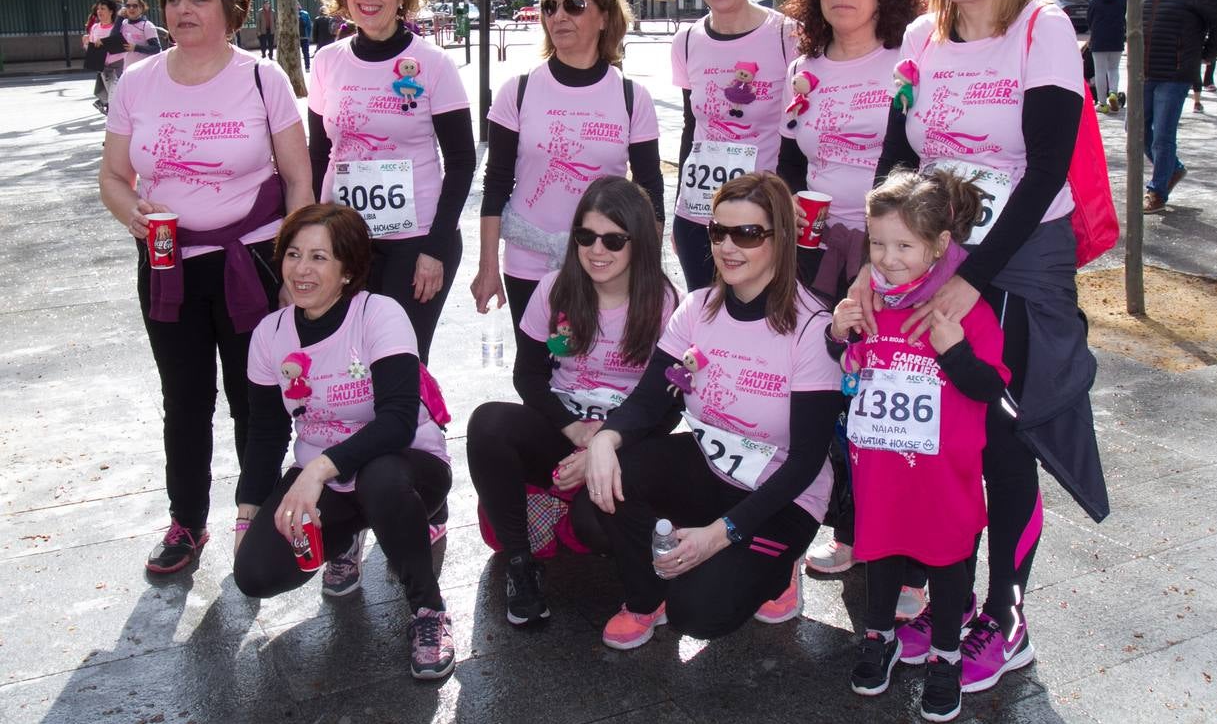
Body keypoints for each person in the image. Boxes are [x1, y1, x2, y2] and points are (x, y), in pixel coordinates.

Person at [857, 0, 1108, 695]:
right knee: (936, 429)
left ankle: (1004, 614)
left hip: (1018, 257)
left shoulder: (1044, 28)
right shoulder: (919, 37)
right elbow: (896, 158)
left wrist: (974, 280)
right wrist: (876, 255)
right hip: (930, 256)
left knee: (1004, 435)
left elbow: (1042, 169)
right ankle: (940, 587)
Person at [99, 0, 314, 574]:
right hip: (169, 265)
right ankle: (186, 522)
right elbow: (113, 176)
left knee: (257, 397)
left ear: (230, 9)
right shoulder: (137, 81)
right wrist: (131, 212)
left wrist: (294, 267)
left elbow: (299, 179)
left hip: (254, 260)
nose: (182, 9)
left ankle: (259, 514)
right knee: (185, 397)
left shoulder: (260, 79)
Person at [585, 172, 843, 649]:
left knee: (699, 613)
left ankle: (776, 569)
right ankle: (647, 597)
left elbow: (807, 462)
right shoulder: (696, 307)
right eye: (718, 231)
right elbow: (648, 399)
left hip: (782, 497)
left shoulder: (811, 328)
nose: (728, 247)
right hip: (713, 467)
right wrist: (605, 439)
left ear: (781, 238)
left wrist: (720, 535)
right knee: (603, 487)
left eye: (747, 234)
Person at [233, 203, 456, 680]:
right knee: (254, 573)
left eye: (319, 257)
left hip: (406, 463)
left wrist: (316, 470)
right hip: (329, 478)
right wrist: (247, 512)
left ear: (348, 269)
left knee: (380, 480)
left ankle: (428, 611)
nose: (301, 269)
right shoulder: (269, 336)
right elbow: (267, 431)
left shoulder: (379, 314)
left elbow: (397, 422)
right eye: (293, 254)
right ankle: (347, 535)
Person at [775, 0, 924, 601]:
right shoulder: (802, 67)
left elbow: (918, 157)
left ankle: (911, 554)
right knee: (825, 397)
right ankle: (849, 532)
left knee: (888, 401)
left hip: (888, 252)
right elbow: (787, 158)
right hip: (814, 249)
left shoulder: (907, 58)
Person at [831, 169, 1010, 723]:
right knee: (879, 550)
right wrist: (838, 331)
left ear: (938, 246)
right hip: (880, 468)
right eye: (878, 243)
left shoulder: (964, 310)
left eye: (904, 245)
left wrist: (954, 352)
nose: (888, 257)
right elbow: (845, 353)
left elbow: (993, 386)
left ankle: (947, 656)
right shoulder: (868, 299)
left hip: (944, 475)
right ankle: (879, 635)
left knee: (948, 561)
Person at [467, 177, 680, 626]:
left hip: (627, 441)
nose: (596, 250)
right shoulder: (554, 289)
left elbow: (668, 405)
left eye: (613, 239)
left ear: (638, 242)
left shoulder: (664, 302)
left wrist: (605, 445)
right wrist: (573, 429)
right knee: (487, 423)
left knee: (594, 525)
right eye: (586, 236)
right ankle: (521, 565)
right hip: (564, 425)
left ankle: (573, 514)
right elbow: (527, 376)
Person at [310, 0, 475, 365]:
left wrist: (435, 250)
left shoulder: (432, 64)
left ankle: (414, 437)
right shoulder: (327, 61)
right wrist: (308, 240)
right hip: (343, 239)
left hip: (415, 239)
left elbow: (461, 162)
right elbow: (317, 155)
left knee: (401, 364)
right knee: (346, 363)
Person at [473, 0, 663, 335]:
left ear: (605, 18)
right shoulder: (518, 90)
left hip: (605, 260)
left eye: (573, 6)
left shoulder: (631, 97)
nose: (558, 16)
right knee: (536, 373)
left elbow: (650, 191)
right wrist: (488, 265)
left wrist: (647, 270)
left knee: (598, 370)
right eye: (550, 6)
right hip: (529, 261)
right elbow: (495, 184)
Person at [671, 0, 798, 291]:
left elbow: (798, 136)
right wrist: (679, 206)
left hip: (762, 220)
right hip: (699, 214)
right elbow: (690, 129)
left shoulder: (787, 36)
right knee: (704, 324)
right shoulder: (687, 41)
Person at [1142, 0, 1217, 213]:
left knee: (1163, 135)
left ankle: (1157, 191)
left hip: (1176, 73)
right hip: (1144, 72)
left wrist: (1206, 54)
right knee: (1137, 131)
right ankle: (1173, 169)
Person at [1086, 0, 1126, 114]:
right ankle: (1113, 92)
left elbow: (1089, 21)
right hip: (1117, 39)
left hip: (1099, 40)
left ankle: (1102, 103)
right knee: (1114, 69)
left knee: (1100, 71)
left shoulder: (1094, 1)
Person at [82, 0, 125, 115]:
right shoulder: (95, 28)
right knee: (111, 100)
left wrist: (105, 43)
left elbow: (121, 46)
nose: (99, 11)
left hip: (118, 67)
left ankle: (115, 125)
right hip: (103, 69)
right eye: (98, 9)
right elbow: (90, 49)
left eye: (103, 9)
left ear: (111, 11)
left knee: (113, 99)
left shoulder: (117, 28)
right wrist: (86, 43)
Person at [118, 0, 163, 70]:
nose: (131, 8)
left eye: (135, 6)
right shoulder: (124, 23)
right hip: (127, 69)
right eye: (128, 6)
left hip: (144, 70)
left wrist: (136, 48)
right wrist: (119, 17)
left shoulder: (147, 25)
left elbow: (156, 49)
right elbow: (112, 37)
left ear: (141, 8)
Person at [298, 5, 312, 70]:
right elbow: (309, 26)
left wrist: (307, 36)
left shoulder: (305, 13)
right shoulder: (305, 13)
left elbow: (309, 26)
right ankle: (307, 67)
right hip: (302, 37)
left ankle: (307, 66)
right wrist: (308, 35)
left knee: (305, 53)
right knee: (305, 53)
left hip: (302, 37)